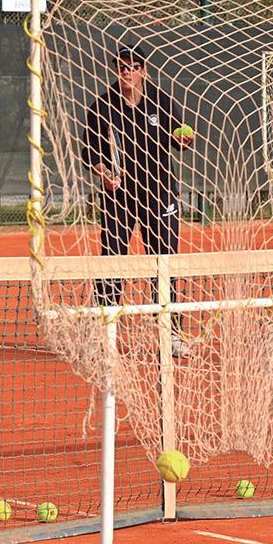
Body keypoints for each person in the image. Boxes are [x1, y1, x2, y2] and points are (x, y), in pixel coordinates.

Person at [81, 44, 194, 358]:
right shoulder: (102, 106)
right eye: (122, 67)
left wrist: (184, 139)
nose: (127, 72)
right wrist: (105, 173)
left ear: (144, 70)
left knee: (164, 263)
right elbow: (90, 155)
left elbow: (179, 140)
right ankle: (102, 334)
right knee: (112, 261)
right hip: (119, 196)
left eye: (133, 66)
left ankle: (171, 335)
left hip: (160, 193)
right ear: (116, 70)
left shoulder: (161, 100)